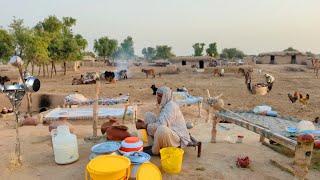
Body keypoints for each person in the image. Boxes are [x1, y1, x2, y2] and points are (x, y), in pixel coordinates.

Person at [136, 86, 191, 155]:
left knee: (161, 129)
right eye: (157, 95)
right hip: (169, 131)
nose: (157, 98)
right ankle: (155, 143)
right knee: (148, 115)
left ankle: (155, 151)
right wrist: (145, 125)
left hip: (177, 139)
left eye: (159, 96)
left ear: (165, 96)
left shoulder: (171, 107)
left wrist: (144, 126)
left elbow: (161, 125)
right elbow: (160, 122)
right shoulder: (166, 105)